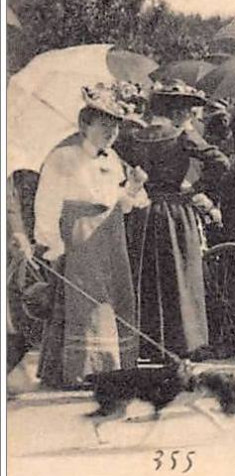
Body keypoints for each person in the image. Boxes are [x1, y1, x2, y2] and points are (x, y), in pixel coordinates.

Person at [35, 86, 149, 389]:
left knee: (110, 298)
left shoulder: (113, 159)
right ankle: (83, 369)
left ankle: (111, 366)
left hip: (110, 235)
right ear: (85, 124)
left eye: (115, 127)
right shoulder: (64, 156)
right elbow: (46, 201)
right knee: (83, 302)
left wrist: (134, 187)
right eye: (104, 125)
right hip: (80, 235)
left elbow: (121, 204)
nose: (111, 133)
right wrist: (52, 242)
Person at [119, 79, 231, 362]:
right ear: (178, 111)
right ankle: (182, 342)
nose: (191, 115)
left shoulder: (134, 136)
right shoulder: (182, 135)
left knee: (148, 275)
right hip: (174, 211)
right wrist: (197, 188)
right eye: (188, 109)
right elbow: (220, 162)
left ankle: (149, 343)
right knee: (179, 275)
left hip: (144, 210)